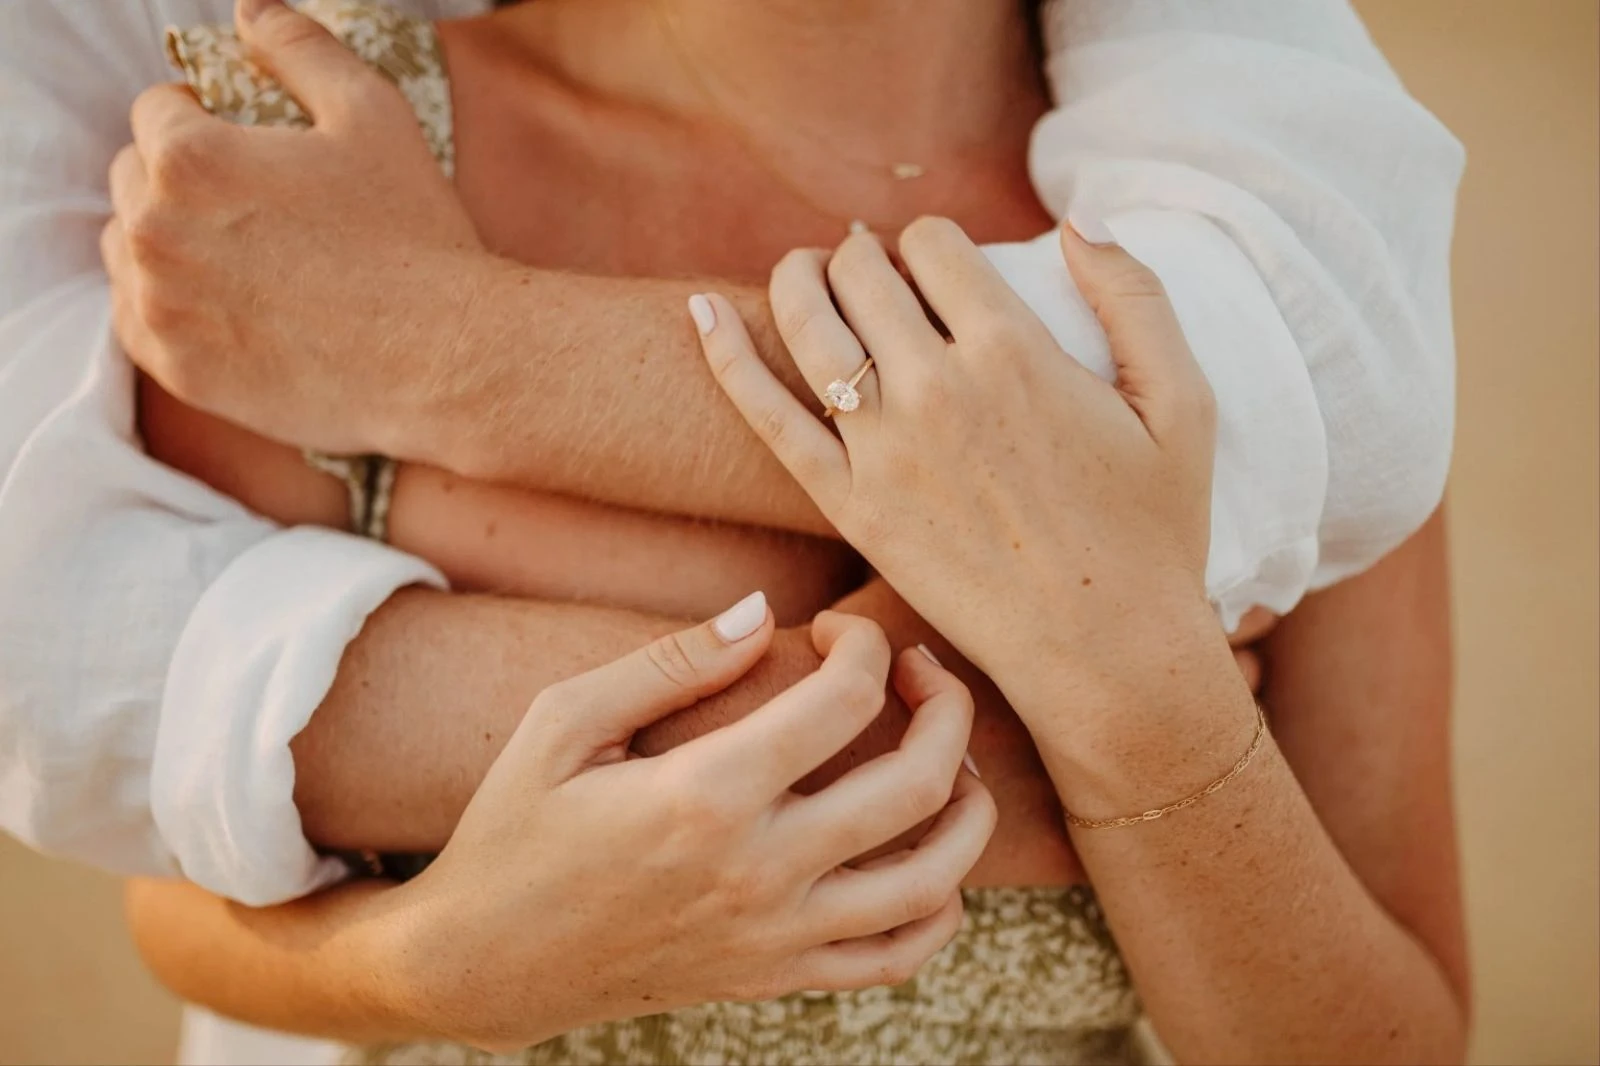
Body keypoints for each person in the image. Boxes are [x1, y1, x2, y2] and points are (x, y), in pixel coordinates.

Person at [0, 0, 1468, 1062]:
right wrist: (433, 965)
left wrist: (1142, 722)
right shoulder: (340, 154)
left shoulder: (1271, 253)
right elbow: (187, 874)